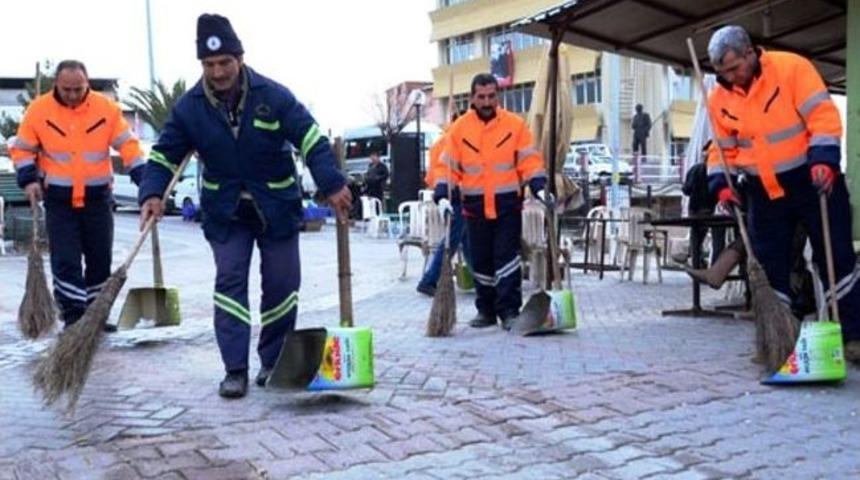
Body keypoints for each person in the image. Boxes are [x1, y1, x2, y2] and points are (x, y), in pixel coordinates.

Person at [138, 14, 352, 398]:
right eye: (209, 65)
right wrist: (152, 193)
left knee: (283, 287)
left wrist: (332, 183)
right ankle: (234, 369)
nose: (218, 72)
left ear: (240, 58)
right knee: (230, 284)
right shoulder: (190, 109)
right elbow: (164, 156)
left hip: (278, 209)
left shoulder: (274, 96)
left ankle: (273, 361)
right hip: (227, 214)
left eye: (225, 63)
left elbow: (311, 140)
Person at [705, 25, 859, 363]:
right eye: (722, 72)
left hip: (813, 180)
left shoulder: (792, 68)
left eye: (734, 68)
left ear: (750, 52)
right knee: (771, 264)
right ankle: (780, 341)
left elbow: (822, 117)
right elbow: (720, 151)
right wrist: (722, 187)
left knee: (835, 257)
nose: (730, 77)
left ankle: (852, 337)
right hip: (762, 192)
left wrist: (824, 160)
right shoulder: (719, 98)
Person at [10, 60, 145, 330]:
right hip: (59, 201)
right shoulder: (39, 110)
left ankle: (95, 316)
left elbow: (127, 145)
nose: (72, 95)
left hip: (98, 199)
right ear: (56, 85)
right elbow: (23, 149)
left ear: (88, 83)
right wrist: (28, 180)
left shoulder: (105, 109)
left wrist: (145, 179)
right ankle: (74, 317)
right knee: (66, 259)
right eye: (66, 89)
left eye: (78, 89)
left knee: (99, 258)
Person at [439, 73, 546, 330]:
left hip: (507, 204)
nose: (487, 101)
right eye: (481, 97)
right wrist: (442, 193)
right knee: (482, 260)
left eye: (491, 96)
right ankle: (486, 310)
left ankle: (509, 310)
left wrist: (539, 187)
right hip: (475, 207)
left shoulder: (515, 125)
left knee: (507, 258)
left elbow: (529, 161)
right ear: (472, 98)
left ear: (498, 96)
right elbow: (447, 167)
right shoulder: (459, 129)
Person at [416, 112, 472, 297]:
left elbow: (431, 175)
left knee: (465, 239)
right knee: (452, 239)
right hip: (455, 196)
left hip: (445, 195)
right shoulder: (454, 142)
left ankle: (482, 278)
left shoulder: (440, 142)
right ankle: (430, 279)